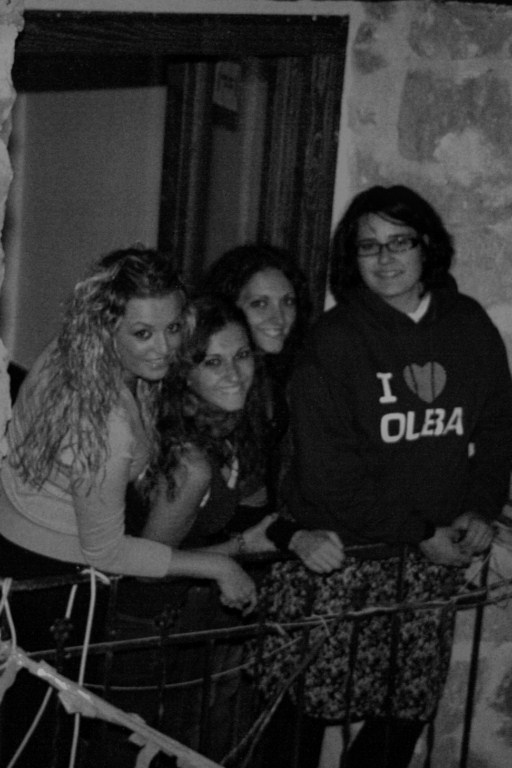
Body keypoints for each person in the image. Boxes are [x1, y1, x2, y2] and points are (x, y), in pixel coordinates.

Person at [257, 185, 512, 768]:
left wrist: (479, 507)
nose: (385, 257)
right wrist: (419, 530)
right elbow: (327, 476)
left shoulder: (467, 324)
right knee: (301, 716)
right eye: (368, 245)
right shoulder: (333, 341)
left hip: (429, 560)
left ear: (428, 247)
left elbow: (497, 428)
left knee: (405, 713)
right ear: (352, 257)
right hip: (343, 558)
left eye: (400, 242)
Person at [0, 248, 257, 767]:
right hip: (56, 582)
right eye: (143, 333)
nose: (164, 348)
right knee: (42, 740)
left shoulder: (77, 352)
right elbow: (106, 550)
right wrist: (218, 565)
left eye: (173, 327)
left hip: (22, 553)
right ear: (105, 327)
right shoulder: (104, 424)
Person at [202, 244, 343, 573]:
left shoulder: (270, 377)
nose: (278, 318)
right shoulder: (217, 388)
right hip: (191, 562)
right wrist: (293, 536)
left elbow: (255, 494)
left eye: (288, 302)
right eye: (259, 303)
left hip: (239, 548)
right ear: (228, 307)